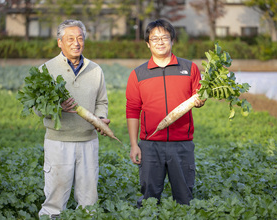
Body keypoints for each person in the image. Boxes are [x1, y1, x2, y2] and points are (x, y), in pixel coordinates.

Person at [125, 19, 206, 207]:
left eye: (164, 37)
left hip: (182, 144)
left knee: (185, 197)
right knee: (149, 199)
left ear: (172, 41)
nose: (160, 42)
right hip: (150, 145)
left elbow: (199, 98)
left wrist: (201, 101)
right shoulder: (138, 74)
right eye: (155, 38)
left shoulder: (190, 68)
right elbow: (132, 110)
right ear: (148, 43)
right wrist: (133, 144)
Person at [37, 19, 110, 218]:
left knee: (89, 200)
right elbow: (37, 108)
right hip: (58, 142)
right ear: (59, 42)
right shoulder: (47, 70)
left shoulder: (95, 70)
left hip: (88, 142)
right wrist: (56, 107)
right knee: (55, 200)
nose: (76, 43)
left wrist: (101, 118)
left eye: (80, 38)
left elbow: (102, 101)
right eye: (70, 39)